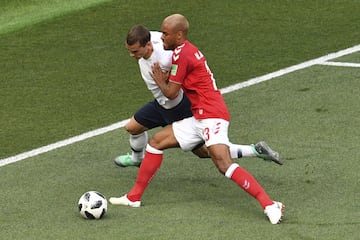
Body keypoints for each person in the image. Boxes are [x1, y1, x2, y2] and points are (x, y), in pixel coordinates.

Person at [110, 16, 284, 224]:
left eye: (165, 34)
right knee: (156, 143)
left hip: (211, 113)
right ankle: (134, 197)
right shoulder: (178, 50)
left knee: (222, 162)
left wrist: (159, 80)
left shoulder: (182, 55)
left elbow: (172, 93)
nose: (161, 36)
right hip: (198, 115)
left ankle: (269, 204)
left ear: (179, 35)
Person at [115, 24, 283, 167]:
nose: (132, 55)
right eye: (130, 51)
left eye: (135, 51)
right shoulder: (154, 37)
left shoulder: (166, 58)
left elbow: (179, 74)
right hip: (161, 105)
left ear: (147, 45)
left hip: (178, 107)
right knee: (132, 128)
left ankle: (255, 150)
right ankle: (138, 159)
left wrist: (164, 79)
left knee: (205, 152)